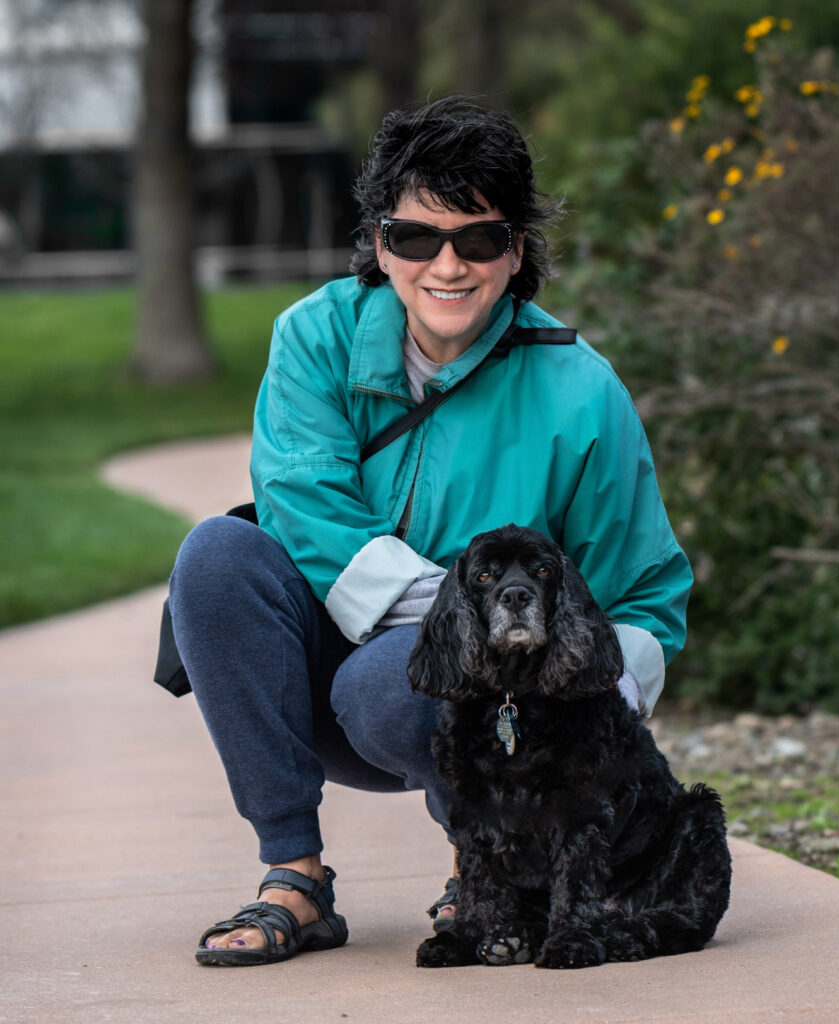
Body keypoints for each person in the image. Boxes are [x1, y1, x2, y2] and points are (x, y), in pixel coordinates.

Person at [169, 95, 693, 967]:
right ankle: (292, 877)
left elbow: (643, 590)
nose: (446, 265)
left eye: (478, 239)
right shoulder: (313, 336)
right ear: (381, 244)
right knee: (219, 555)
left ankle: (485, 873)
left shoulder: (580, 387)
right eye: (416, 238)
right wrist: (453, 613)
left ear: (515, 250)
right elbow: (303, 503)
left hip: (474, 701)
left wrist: (587, 719)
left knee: (394, 680)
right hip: (326, 671)